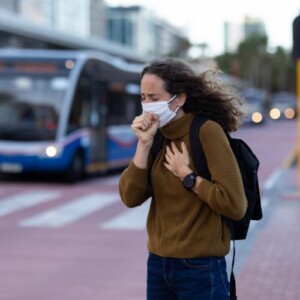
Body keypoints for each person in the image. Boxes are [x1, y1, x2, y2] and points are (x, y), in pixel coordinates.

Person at [119, 58, 247, 300]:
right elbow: (129, 197)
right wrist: (143, 145)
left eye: (154, 98)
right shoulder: (156, 136)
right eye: (143, 98)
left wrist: (188, 177)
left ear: (179, 98)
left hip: (200, 268)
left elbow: (235, 204)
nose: (147, 106)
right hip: (158, 264)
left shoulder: (206, 131)